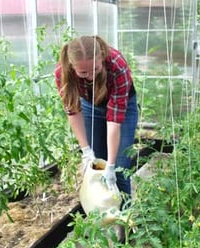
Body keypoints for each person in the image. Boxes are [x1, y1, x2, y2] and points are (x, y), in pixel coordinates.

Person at [54, 35, 138, 205]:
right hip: (90, 106)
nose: (91, 77)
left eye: (96, 69)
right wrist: (85, 150)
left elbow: (114, 119)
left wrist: (112, 165)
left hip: (123, 108)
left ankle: (126, 225)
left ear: (101, 57)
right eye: (83, 72)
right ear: (72, 65)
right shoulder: (62, 73)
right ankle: (102, 218)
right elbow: (73, 110)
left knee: (120, 170)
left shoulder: (116, 65)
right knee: (97, 164)